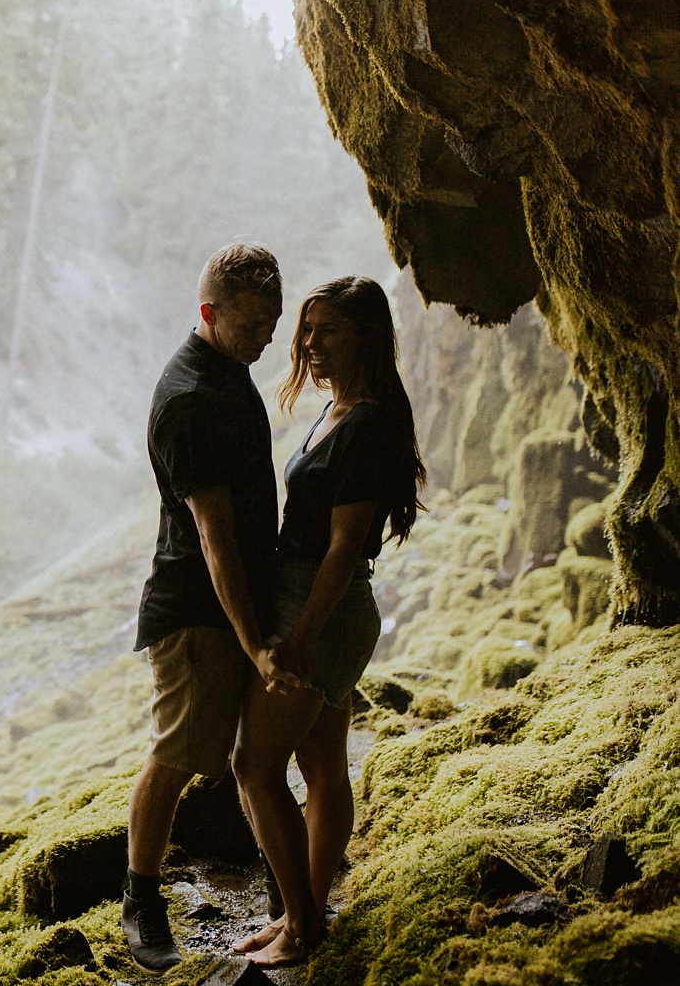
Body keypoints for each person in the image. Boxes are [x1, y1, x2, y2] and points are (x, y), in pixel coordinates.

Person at [230, 276, 426, 967]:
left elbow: (344, 549)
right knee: (319, 767)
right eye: (308, 331)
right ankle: (303, 917)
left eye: (329, 331)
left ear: (364, 337)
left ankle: (303, 923)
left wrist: (301, 637)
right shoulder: (340, 409)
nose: (310, 344)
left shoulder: (367, 423)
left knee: (253, 766)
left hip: (323, 608)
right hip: (318, 602)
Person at [122, 243, 298, 973]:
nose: (266, 337)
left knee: (246, 754)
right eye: (254, 323)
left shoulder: (228, 371)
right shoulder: (192, 397)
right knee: (178, 753)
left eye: (273, 323)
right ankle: (140, 897)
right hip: (198, 610)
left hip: (236, 604)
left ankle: (282, 894)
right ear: (209, 313)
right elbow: (214, 538)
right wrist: (254, 640)